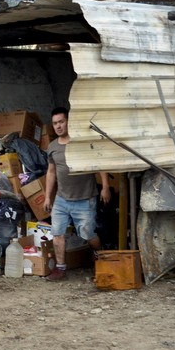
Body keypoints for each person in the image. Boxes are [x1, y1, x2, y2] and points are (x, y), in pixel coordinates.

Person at [43, 106, 111, 281]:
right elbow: (51, 172)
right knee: (57, 233)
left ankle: (98, 255)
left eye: (61, 122)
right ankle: (60, 268)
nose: (58, 126)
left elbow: (99, 163)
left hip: (85, 198)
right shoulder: (52, 147)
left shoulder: (82, 142)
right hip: (62, 198)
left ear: (68, 122)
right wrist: (47, 197)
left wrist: (105, 186)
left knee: (88, 234)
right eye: (55, 123)